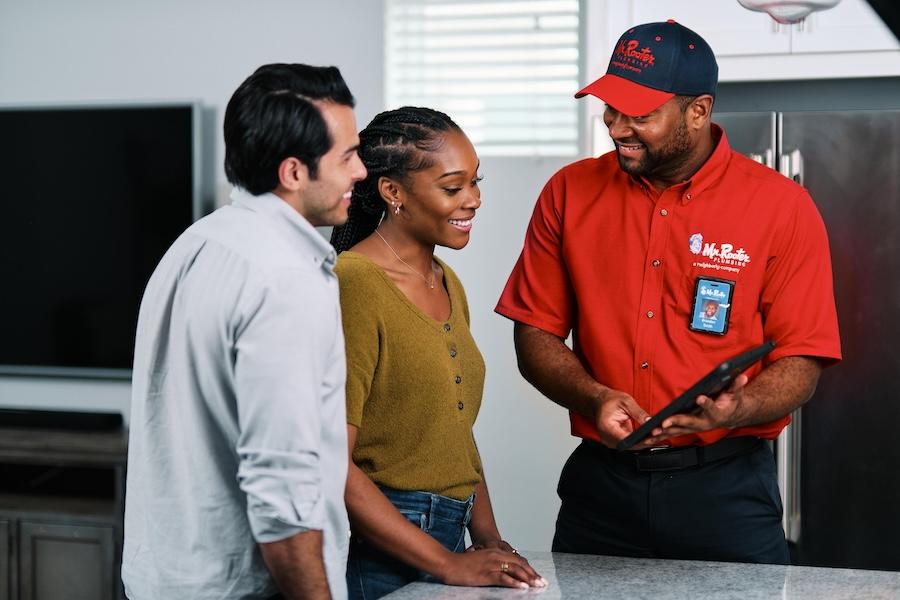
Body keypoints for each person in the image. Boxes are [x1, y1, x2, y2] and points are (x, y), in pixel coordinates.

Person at [496, 20, 841, 564]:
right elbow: (534, 332)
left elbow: (802, 358)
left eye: (640, 115)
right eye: (611, 109)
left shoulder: (782, 207)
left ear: (698, 112)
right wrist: (594, 397)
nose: (616, 127)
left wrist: (738, 406)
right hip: (601, 491)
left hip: (727, 493)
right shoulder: (569, 193)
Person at [122, 63, 366, 600]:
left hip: (166, 581)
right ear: (294, 172)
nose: (361, 172)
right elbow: (283, 493)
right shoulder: (286, 279)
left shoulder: (196, 243)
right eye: (347, 156)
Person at [330, 107, 546, 598]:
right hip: (385, 549)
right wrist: (447, 564)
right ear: (393, 192)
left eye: (475, 182)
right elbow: (330, 462)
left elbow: (455, 433)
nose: (473, 200)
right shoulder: (355, 283)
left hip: (453, 535)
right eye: (453, 187)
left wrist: (489, 539)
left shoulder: (447, 281)